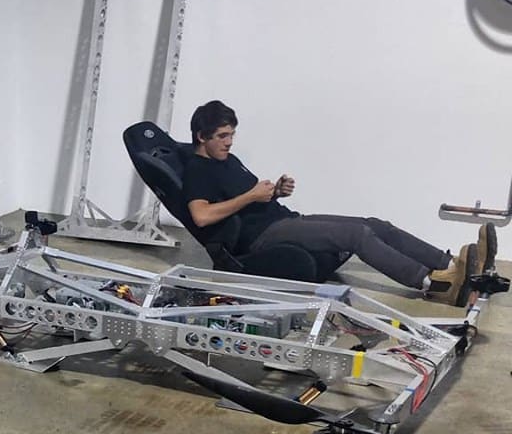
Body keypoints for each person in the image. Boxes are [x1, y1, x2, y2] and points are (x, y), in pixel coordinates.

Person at [182, 100, 495, 304]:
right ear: (201, 136)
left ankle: (452, 265)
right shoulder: (197, 170)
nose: (229, 142)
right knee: (356, 236)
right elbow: (201, 216)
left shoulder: (229, 160)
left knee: (375, 225)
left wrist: (276, 191)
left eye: (232, 135)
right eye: (222, 136)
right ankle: (435, 285)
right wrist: (251, 195)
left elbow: (247, 199)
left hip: (284, 219)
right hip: (260, 238)